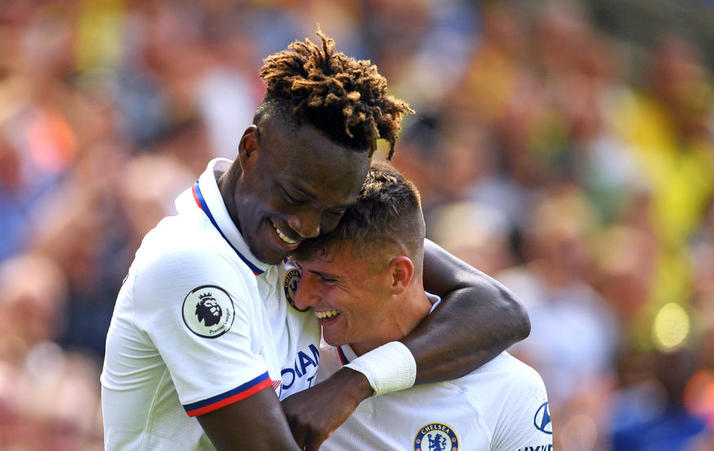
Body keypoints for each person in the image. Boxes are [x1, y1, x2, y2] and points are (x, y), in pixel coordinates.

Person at [101, 31, 530, 451]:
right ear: (249, 147)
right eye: (295, 198)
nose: (306, 228)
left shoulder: (289, 220)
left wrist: (355, 383)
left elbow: (499, 310)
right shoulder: (191, 263)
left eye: (332, 212)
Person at [290, 162, 552, 450]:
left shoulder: (510, 390)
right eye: (300, 271)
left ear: (398, 276)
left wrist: (356, 382)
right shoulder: (287, 345)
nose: (302, 297)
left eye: (327, 279)